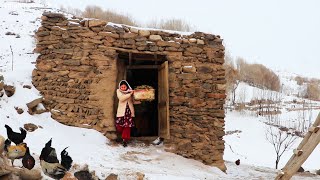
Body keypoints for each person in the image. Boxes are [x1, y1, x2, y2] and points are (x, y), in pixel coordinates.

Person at [115, 80, 137, 147]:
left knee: (127, 127)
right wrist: (130, 94)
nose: (123, 88)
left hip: (128, 112)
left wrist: (141, 98)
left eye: (124, 87)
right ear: (120, 87)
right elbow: (121, 98)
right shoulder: (118, 91)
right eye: (122, 87)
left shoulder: (130, 92)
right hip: (121, 112)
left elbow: (133, 101)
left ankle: (125, 140)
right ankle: (122, 136)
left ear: (127, 87)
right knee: (119, 127)